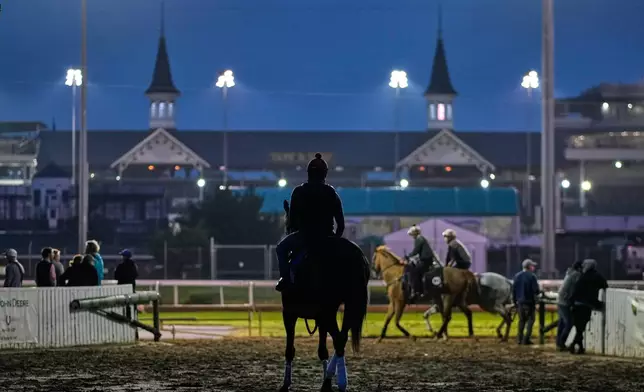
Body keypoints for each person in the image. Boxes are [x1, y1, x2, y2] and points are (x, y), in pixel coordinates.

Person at [275, 153, 345, 292]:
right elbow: (341, 224)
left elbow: (293, 222)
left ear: (309, 173)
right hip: (327, 238)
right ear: (324, 174)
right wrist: (335, 240)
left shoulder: (299, 192)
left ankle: (285, 279)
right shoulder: (331, 192)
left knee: (281, 249)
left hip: (303, 237)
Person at [568, 259, 608, 354]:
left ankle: (576, 346)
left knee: (579, 327)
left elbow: (576, 291)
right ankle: (576, 346)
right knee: (581, 327)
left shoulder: (582, 277)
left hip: (577, 305)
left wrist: (571, 302)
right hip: (587, 305)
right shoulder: (597, 276)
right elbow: (605, 285)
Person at [556, 260, 582, 351]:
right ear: (579, 268)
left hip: (560, 299)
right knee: (569, 323)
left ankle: (559, 343)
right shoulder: (576, 275)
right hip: (565, 301)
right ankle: (562, 343)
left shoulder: (569, 273)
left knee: (562, 323)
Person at [512, 259, 540, 345]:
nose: (534, 267)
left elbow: (514, 290)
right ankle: (526, 339)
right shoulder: (532, 276)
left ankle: (520, 339)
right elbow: (536, 290)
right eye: (532, 266)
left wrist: (514, 301)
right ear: (529, 267)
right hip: (529, 303)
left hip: (520, 302)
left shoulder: (517, 276)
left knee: (521, 321)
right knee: (531, 321)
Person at [404, 224, 435, 302]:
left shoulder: (419, 239)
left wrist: (408, 256)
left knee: (414, 272)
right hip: (426, 259)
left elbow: (416, 251)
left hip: (426, 260)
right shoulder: (421, 238)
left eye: (412, 234)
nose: (412, 236)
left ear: (414, 233)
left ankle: (417, 291)